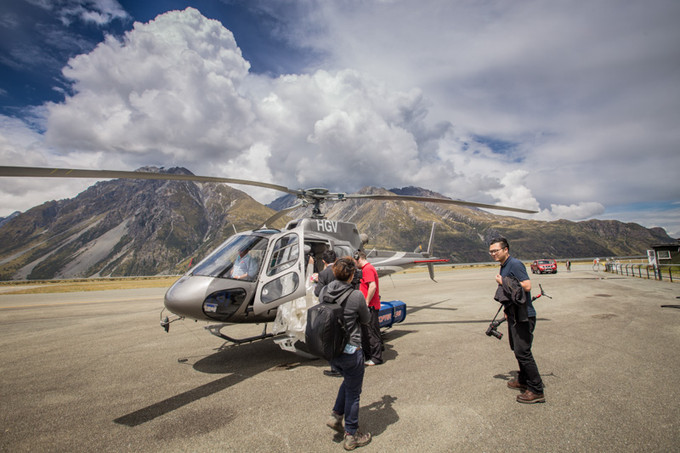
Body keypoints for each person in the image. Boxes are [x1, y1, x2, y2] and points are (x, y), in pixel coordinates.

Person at [322, 257, 372, 450]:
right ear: (352, 275)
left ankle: (336, 416)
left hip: (332, 351)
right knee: (354, 392)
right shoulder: (356, 295)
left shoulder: (325, 291)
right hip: (351, 350)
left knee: (348, 381)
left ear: (334, 272)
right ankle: (351, 435)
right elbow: (366, 319)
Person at [489, 237, 545, 404]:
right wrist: (507, 310)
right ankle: (522, 379)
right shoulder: (505, 265)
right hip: (514, 314)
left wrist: (502, 281)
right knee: (517, 349)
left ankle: (536, 390)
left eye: (495, 250)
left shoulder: (515, 264)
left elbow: (527, 286)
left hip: (524, 315)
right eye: (491, 251)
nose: (492, 254)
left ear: (506, 249)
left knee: (523, 352)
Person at [315, 250, 342, 378]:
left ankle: (335, 368)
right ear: (336, 259)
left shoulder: (323, 274)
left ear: (324, 261)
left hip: (330, 309)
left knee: (331, 339)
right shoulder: (342, 270)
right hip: (343, 307)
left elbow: (318, 292)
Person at [356, 251, 383, 366]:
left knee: (371, 332)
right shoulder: (367, 268)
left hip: (371, 306)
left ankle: (377, 358)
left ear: (358, 258)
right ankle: (369, 355)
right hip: (370, 305)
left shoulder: (367, 269)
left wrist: (366, 302)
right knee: (367, 332)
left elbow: (372, 286)